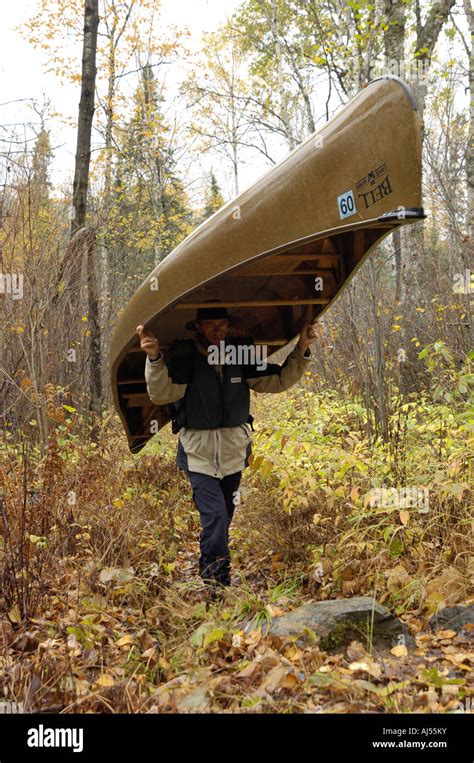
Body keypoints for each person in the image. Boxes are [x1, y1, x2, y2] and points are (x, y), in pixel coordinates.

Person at [136, 305, 318, 599]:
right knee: (217, 519)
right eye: (211, 325)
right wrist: (154, 357)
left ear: (229, 326)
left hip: (234, 454)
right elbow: (162, 393)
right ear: (198, 327)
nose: (218, 331)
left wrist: (302, 349)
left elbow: (279, 380)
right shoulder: (185, 358)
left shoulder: (240, 357)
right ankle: (216, 586)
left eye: (222, 324)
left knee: (221, 521)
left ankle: (211, 568)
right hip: (199, 456)